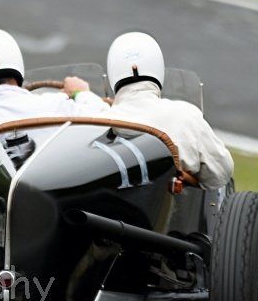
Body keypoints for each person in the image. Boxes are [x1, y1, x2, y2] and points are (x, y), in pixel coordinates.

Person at [0, 29, 109, 197]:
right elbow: (107, 123)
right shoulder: (57, 104)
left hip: (8, 210)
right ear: (17, 63)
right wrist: (81, 93)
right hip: (65, 205)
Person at [99, 32, 233, 190]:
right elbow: (220, 173)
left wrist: (82, 95)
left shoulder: (96, 116)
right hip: (165, 202)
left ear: (113, 72)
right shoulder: (185, 114)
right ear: (157, 68)